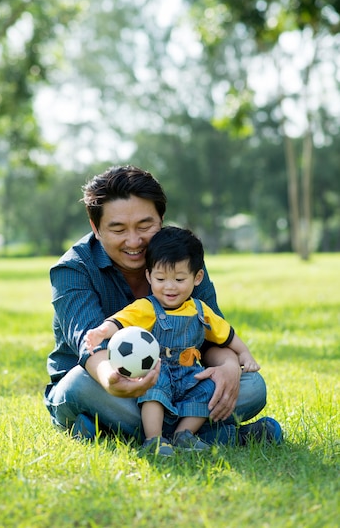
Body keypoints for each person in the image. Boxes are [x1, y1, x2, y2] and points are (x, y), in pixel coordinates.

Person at [44, 165, 282, 447]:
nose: (134, 241)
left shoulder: (183, 261)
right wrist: (113, 381)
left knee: (253, 387)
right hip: (101, 381)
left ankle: (123, 430)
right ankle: (217, 436)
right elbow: (89, 344)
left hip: (181, 384)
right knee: (77, 386)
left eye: (145, 226)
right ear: (96, 228)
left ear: (161, 219)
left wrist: (229, 366)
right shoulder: (72, 269)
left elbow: (210, 331)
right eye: (118, 229)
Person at [85, 226, 264, 456]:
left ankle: (184, 435)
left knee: (209, 388)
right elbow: (121, 321)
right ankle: (154, 440)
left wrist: (244, 355)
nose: (169, 286)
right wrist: (102, 331)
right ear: (149, 276)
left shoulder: (201, 311)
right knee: (154, 389)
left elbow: (227, 335)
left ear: (197, 277)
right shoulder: (147, 307)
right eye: (160, 278)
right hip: (158, 370)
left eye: (179, 279)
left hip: (190, 374)